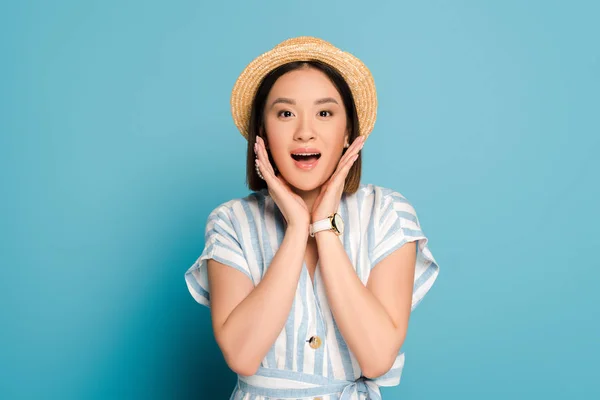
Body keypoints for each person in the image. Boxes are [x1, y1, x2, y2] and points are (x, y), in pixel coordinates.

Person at [185, 36, 440, 400]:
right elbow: (241, 356)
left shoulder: (388, 214)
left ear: (347, 130)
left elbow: (377, 358)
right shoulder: (231, 222)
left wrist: (323, 226)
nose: (305, 131)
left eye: (324, 113)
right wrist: (296, 230)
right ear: (263, 132)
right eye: (285, 113)